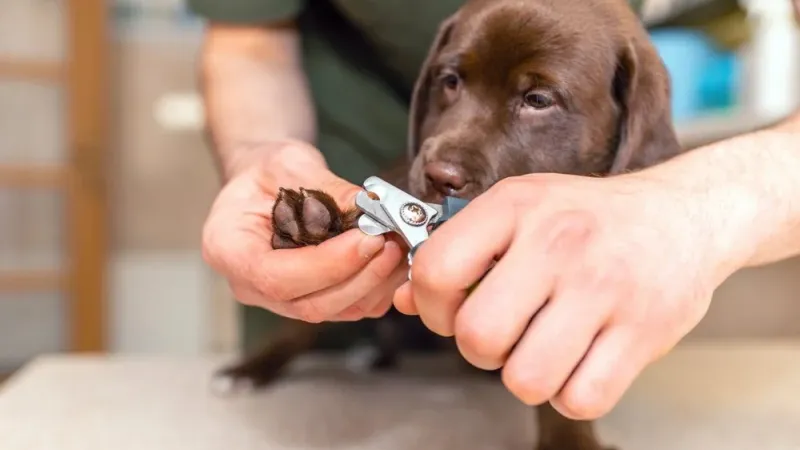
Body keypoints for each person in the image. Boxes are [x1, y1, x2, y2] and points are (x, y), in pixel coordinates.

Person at [193, 0, 798, 421]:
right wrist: (260, 159)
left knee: (548, 353)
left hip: (578, 218)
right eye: (452, 82)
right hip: (350, 168)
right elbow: (250, 44)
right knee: (322, 345)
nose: (448, 156)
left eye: (538, 98)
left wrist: (687, 208)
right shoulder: (430, 158)